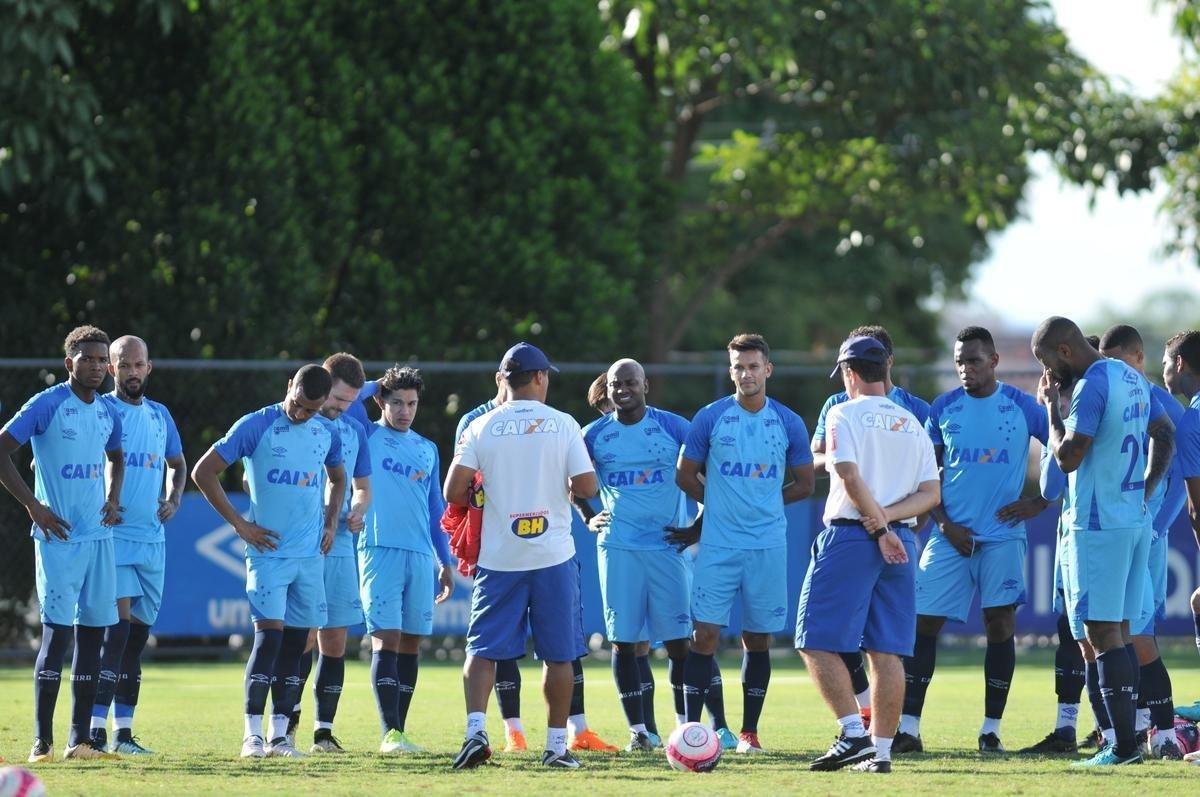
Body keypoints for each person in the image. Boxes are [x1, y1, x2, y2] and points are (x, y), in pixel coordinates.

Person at [444, 342, 599, 770]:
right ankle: (555, 747)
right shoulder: (563, 423)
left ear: (504, 380)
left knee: (483, 650)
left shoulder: (481, 426)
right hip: (552, 554)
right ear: (539, 378)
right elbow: (587, 488)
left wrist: (485, 490)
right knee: (559, 653)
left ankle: (475, 733)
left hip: (499, 557)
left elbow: (452, 492)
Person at [894, 326, 1048, 754]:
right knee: (922, 624)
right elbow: (926, 477)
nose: (965, 369)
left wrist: (1042, 501)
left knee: (1000, 625)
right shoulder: (943, 408)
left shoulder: (1024, 408)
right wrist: (942, 522)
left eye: (974, 360)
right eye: (960, 361)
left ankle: (991, 730)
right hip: (950, 537)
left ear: (994, 361)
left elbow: (1066, 451)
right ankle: (908, 728)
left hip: (1002, 536)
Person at [1031, 316, 1174, 767]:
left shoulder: (1091, 385)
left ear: (1065, 351)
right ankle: (1126, 739)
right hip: (1132, 519)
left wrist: (1053, 408)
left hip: (1099, 525)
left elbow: (1069, 457)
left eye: (1048, 362)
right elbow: (1164, 433)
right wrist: (1146, 490)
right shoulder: (1131, 376)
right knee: (1123, 633)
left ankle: (1124, 747)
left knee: (1101, 632)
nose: (1050, 372)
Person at [797, 335, 940, 774]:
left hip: (855, 536)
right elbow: (931, 494)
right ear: (885, 370)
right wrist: (892, 523)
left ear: (849, 373)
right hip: (900, 539)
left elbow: (846, 473)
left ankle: (853, 736)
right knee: (886, 652)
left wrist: (878, 526)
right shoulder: (911, 421)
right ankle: (880, 754)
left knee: (814, 641)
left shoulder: (842, 411)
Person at [191, 364, 346, 759]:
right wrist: (241, 525)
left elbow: (338, 478)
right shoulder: (256, 425)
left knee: (297, 647)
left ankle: (279, 736)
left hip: (309, 557)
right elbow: (203, 472)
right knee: (268, 641)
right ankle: (251, 736)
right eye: (297, 404)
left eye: (310, 410)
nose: (301, 414)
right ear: (288, 387)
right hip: (268, 556)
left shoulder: (325, 432)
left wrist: (330, 522)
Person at [676, 333, 815, 754]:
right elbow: (685, 475)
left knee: (758, 639)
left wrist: (765, 501)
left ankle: (750, 733)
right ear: (730, 370)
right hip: (718, 545)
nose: (746, 373)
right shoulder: (710, 417)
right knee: (703, 636)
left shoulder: (788, 421)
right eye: (739, 366)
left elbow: (806, 483)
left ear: (767, 369)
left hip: (768, 545)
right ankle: (693, 734)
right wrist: (718, 504)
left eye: (754, 366)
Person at [0, 325, 125, 762]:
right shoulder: (47, 404)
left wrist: (112, 498)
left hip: (99, 539)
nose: (96, 366)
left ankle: (80, 741)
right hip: (58, 539)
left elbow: (117, 455)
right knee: (57, 637)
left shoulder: (108, 411)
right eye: (87, 359)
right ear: (69, 363)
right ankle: (42, 743)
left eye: (101, 359)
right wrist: (34, 506)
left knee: (93, 637)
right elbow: (1, 450)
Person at [582, 359, 693, 752]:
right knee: (624, 642)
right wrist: (589, 515)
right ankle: (640, 732)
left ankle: (686, 730)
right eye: (616, 384)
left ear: (645, 384)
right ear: (608, 388)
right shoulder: (593, 434)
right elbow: (570, 480)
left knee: (680, 644)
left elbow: (708, 474)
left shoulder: (675, 426)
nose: (623, 389)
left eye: (630, 382)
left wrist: (697, 527)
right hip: (618, 548)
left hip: (667, 548)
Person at [88, 336, 187, 756]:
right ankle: (95, 730)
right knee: (118, 633)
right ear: (112, 370)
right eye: (123, 365)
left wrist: (175, 498)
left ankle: (123, 734)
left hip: (152, 540)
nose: (132, 372)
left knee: (136, 640)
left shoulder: (160, 415)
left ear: (149, 368)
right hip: (115, 539)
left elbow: (178, 464)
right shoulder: (102, 411)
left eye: (138, 364)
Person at [1098, 325, 1187, 758]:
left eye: (1120, 360)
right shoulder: (1117, 397)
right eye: (1106, 361)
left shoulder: (1162, 404)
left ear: (1139, 358)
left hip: (1143, 535)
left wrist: (1155, 525)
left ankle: (1163, 732)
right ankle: (1133, 728)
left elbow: (1183, 481)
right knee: (1118, 631)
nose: (1113, 369)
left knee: (1137, 632)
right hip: (1122, 530)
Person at [361, 365, 455, 753]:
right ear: (381, 401)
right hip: (379, 548)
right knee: (387, 639)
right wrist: (375, 385)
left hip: (420, 554)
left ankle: (401, 730)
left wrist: (444, 562)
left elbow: (437, 510)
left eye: (412, 403)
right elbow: (347, 400)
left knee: (412, 642)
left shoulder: (426, 448)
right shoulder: (366, 434)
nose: (405, 411)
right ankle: (390, 733)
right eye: (396, 402)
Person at [288, 353, 373, 754]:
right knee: (301, 638)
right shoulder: (295, 421)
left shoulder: (354, 429)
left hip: (338, 545)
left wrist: (358, 508)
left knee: (334, 640)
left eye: (350, 402)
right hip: (301, 544)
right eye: (337, 400)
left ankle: (324, 731)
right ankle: (286, 723)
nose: (341, 408)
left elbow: (362, 485)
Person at [1162, 329, 1200, 737]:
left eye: (1165, 365)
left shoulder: (1191, 423)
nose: (1164, 374)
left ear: (1181, 364)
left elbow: (1196, 503)